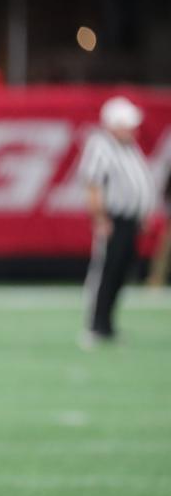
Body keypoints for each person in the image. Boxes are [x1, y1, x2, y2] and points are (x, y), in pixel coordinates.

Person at [78, 96, 158, 345]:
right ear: (113, 124)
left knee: (120, 273)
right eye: (128, 124)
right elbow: (93, 184)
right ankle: (95, 326)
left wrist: (142, 212)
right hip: (113, 219)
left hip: (130, 220)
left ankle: (108, 325)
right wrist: (101, 218)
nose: (133, 129)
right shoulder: (101, 145)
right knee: (106, 272)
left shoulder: (128, 147)